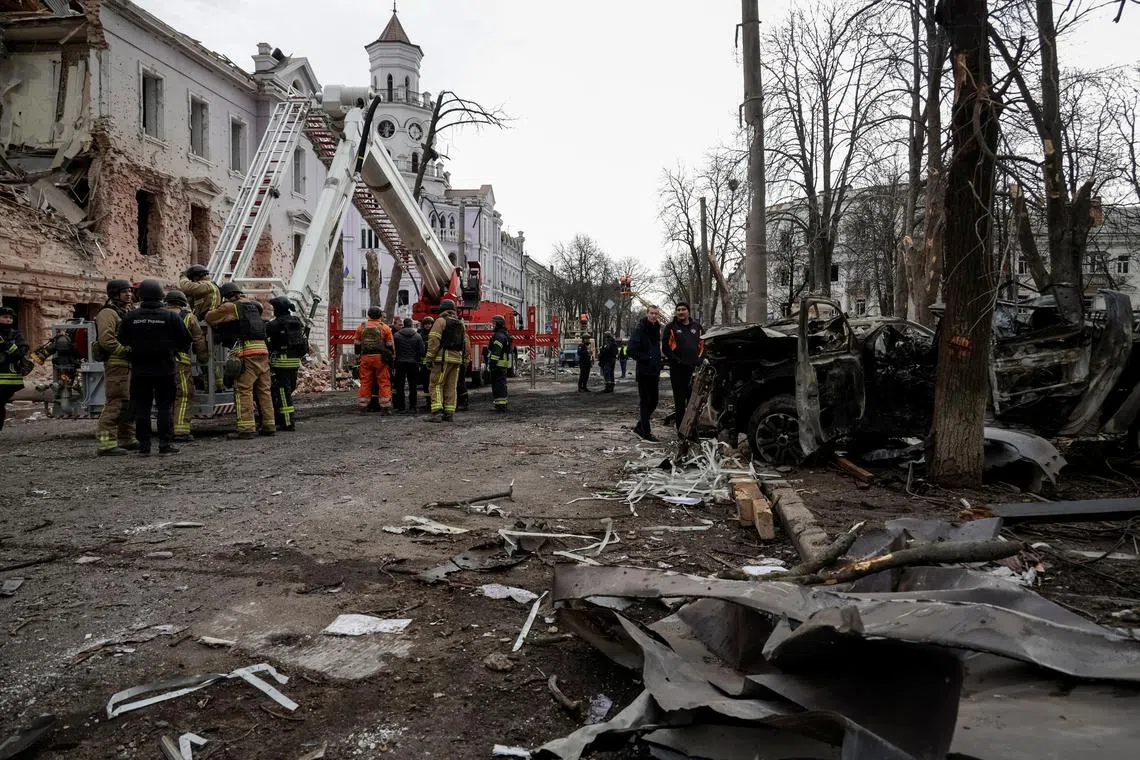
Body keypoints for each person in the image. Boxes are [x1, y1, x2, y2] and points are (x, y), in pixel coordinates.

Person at [118, 280, 191, 456]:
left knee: (142, 408)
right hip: (165, 369)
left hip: (140, 370)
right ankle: (165, 445)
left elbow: (122, 339)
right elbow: (185, 340)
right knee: (164, 408)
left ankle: (144, 446)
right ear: (160, 295)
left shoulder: (131, 317)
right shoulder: (171, 316)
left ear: (140, 296)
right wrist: (171, 348)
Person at [206, 282, 275, 439]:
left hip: (246, 352)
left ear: (226, 296)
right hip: (263, 351)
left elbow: (210, 318)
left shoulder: (231, 306)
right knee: (264, 390)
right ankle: (269, 425)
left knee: (243, 390)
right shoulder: (253, 306)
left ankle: (246, 429)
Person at [94, 279, 138, 455]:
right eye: (124, 291)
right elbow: (106, 339)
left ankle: (127, 438)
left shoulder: (128, 311)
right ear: (114, 294)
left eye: (130, 291)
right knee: (117, 402)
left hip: (130, 364)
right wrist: (124, 351)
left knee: (129, 403)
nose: (129, 294)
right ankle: (106, 444)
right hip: (117, 363)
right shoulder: (108, 313)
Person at [164, 289, 209, 442]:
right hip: (180, 361)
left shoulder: (158, 315)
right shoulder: (188, 317)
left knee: (164, 395)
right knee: (183, 394)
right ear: (183, 303)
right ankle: (181, 430)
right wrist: (203, 358)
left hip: (157, 361)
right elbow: (198, 339)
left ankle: (165, 428)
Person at [265, 296, 308, 431]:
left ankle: (288, 423)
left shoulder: (273, 325)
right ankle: (282, 419)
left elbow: (265, 339)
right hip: (294, 363)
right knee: (288, 391)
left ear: (277, 309)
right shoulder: (297, 322)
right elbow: (304, 344)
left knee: (283, 393)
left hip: (280, 364)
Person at [662, 302, 704, 431]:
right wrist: (676, 360)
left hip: (694, 370)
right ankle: (681, 431)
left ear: (688, 311)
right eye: (678, 310)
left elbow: (703, 345)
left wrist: (699, 360)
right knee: (680, 401)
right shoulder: (671, 327)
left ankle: (693, 430)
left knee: (694, 401)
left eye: (683, 309)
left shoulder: (697, 327)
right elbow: (666, 347)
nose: (681, 312)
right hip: (678, 370)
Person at [425, 299, 466, 422]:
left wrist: (429, 358)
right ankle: (449, 413)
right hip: (456, 359)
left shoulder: (440, 321)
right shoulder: (460, 323)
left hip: (442, 359)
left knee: (436, 384)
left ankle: (436, 412)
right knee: (451, 386)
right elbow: (465, 343)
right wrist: (464, 358)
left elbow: (434, 341)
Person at [628, 305, 663, 442]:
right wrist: (647, 358)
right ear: (647, 314)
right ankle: (646, 432)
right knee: (645, 402)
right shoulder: (640, 329)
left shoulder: (657, 328)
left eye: (656, 314)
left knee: (654, 401)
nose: (654, 316)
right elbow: (631, 350)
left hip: (654, 371)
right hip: (644, 371)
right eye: (651, 313)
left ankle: (640, 426)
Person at [354, 306, 394, 415]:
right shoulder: (385, 327)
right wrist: (391, 357)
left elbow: (357, 343)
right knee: (384, 381)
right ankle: (385, 407)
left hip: (365, 358)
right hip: (380, 358)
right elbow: (389, 344)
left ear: (369, 315)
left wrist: (357, 356)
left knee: (365, 382)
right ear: (380, 315)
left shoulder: (361, 327)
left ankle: (363, 406)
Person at [0, 306, 29, 432]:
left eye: (10, 318)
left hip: (7, 379)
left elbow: (21, 352)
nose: (8, 320)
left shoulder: (16, 334)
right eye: (5, 317)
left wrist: (5, 346)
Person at [393, 317, 425, 412]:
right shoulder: (417, 336)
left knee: (400, 385)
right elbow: (422, 351)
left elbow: (393, 349)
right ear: (411, 325)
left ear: (404, 325)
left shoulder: (396, 335)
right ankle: (413, 406)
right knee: (413, 385)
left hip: (400, 363)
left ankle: (401, 407)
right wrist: (417, 359)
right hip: (413, 363)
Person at [486, 314, 512, 412]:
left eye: (494, 323)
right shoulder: (503, 334)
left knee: (498, 386)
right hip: (501, 364)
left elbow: (496, 352)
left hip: (498, 364)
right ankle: (500, 404)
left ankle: (500, 406)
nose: (492, 325)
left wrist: (492, 363)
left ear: (498, 324)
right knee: (501, 384)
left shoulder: (499, 336)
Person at [417, 316, 435, 408]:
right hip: (423, 364)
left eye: (429, 324)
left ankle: (434, 400)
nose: (427, 326)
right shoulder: (420, 334)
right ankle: (428, 401)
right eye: (426, 324)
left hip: (433, 363)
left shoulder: (435, 333)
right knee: (425, 382)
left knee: (433, 382)